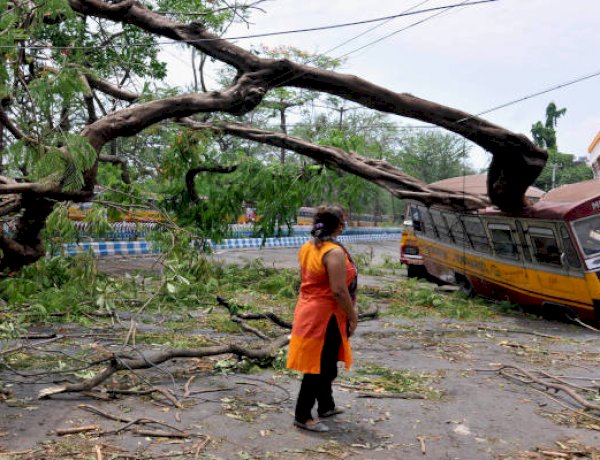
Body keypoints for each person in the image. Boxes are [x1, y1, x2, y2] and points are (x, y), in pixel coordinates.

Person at [286, 204, 358, 433]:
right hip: (323, 316)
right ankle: (302, 415)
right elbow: (338, 290)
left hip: (311, 310)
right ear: (337, 225)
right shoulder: (333, 252)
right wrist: (353, 316)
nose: (345, 224)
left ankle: (326, 405)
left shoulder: (309, 247)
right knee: (318, 366)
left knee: (327, 364)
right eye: (343, 221)